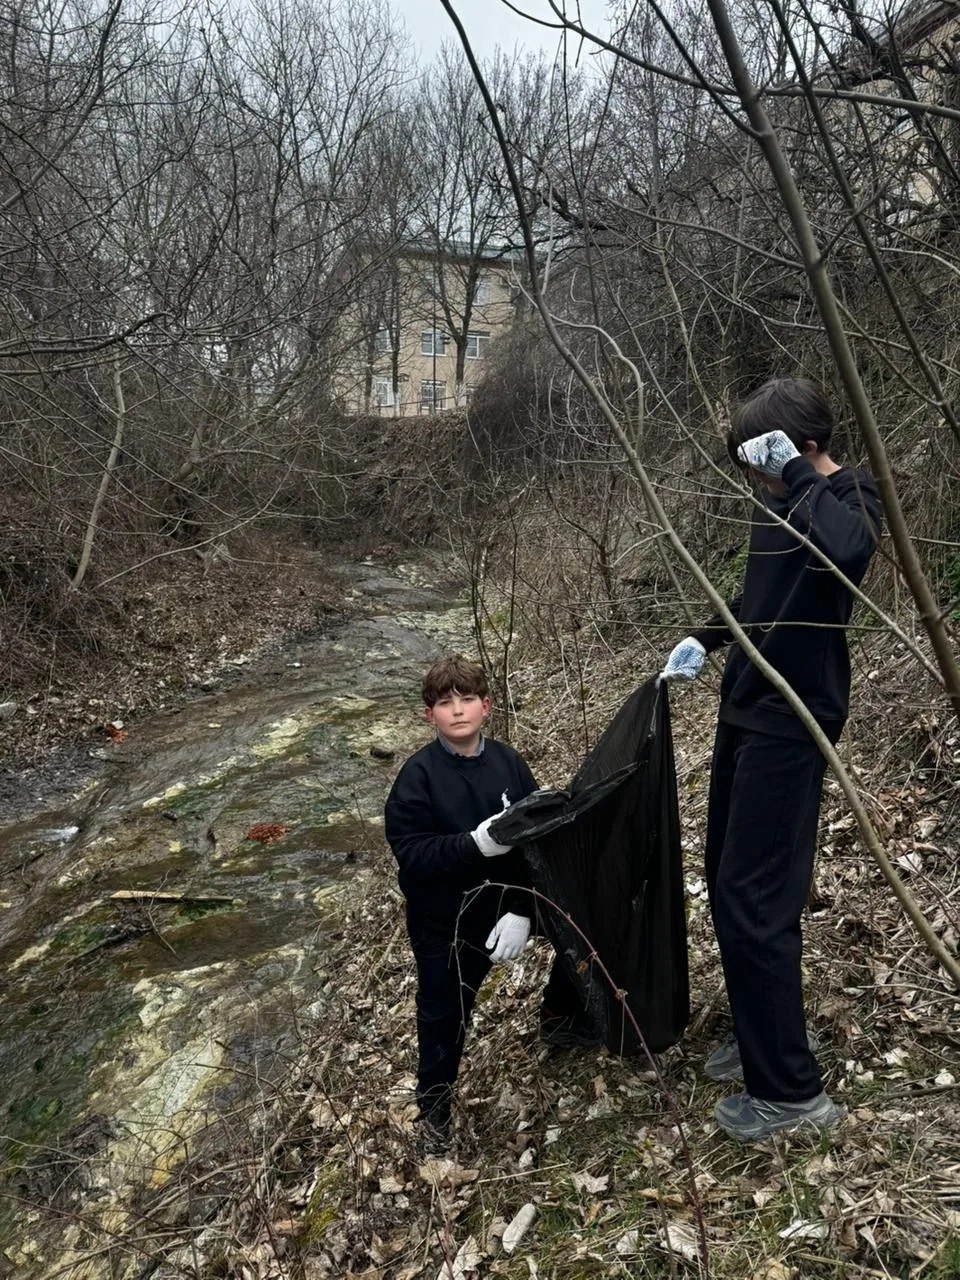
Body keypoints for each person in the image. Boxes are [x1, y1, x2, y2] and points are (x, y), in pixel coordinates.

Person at [661, 376, 881, 1142]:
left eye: (761, 459)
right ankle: (760, 1034)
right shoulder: (783, 503)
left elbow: (849, 558)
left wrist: (795, 474)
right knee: (728, 876)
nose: (751, 475)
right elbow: (765, 598)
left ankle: (789, 1092)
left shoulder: (845, 498)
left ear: (800, 447)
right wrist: (711, 635)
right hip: (747, 709)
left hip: (793, 725)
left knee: (756, 898)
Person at [385, 653, 596, 1155]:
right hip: (446, 919)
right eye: (443, 703)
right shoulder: (416, 779)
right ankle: (434, 1110)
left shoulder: (507, 762)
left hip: (512, 900)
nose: (456, 711)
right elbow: (411, 855)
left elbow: (536, 837)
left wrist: (524, 908)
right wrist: (472, 845)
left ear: (487, 706)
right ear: (428, 715)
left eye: (466, 700)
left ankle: (562, 1019)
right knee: (443, 1012)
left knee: (585, 920)